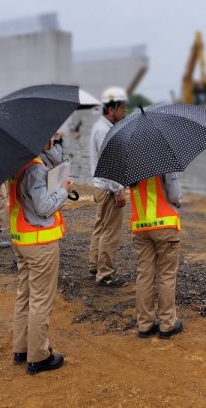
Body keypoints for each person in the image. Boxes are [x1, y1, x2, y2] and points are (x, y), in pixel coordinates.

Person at [9, 135, 73, 375]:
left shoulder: (19, 163)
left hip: (23, 240)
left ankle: (22, 349)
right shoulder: (35, 169)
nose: (55, 137)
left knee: (24, 296)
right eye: (52, 134)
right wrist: (64, 192)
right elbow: (44, 207)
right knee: (40, 301)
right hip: (40, 243)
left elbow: (57, 161)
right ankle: (39, 356)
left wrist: (48, 148)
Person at [130, 172, 184, 339]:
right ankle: (167, 324)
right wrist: (178, 202)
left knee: (144, 275)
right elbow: (175, 194)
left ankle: (144, 324)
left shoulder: (130, 159)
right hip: (164, 224)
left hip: (140, 225)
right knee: (167, 274)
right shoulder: (162, 159)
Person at [88, 86, 129, 287]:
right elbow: (110, 162)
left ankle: (95, 265)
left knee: (100, 227)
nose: (124, 111)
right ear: (111, 109)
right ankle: (105, 273)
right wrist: (118, 189)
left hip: (100, 186)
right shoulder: (105, 130)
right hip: (109, 187)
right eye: (122, 107)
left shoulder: (100, 127)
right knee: (109, 231)